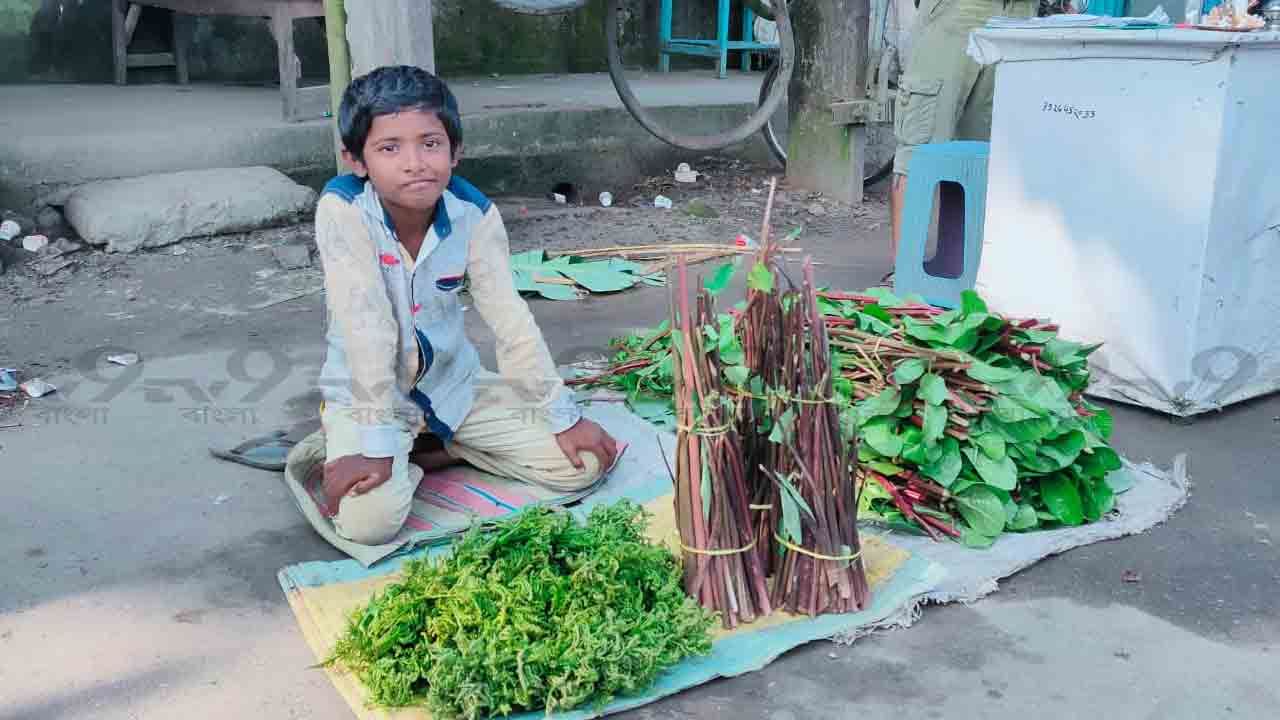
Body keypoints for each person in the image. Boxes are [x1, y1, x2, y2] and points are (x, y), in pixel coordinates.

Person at [286, 65, 618, 546]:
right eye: (389, 147)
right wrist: (376, 445)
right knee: (369, 522)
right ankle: (352, 446)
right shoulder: (343, 212)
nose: (415, 162)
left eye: (430, 143)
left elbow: (510, 319)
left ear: (455, 151)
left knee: (583, 465)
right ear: (356, 160)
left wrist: (563, 415)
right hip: (368, 398)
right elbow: (367, 327)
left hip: (455, 387)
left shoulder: (474, 214)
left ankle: (426, 449)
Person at [887, 0, 1036, 282]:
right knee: (923, 143)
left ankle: (956, 273)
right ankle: (905, 279)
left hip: (1020, 13)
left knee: (980, 157)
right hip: (960, 9)